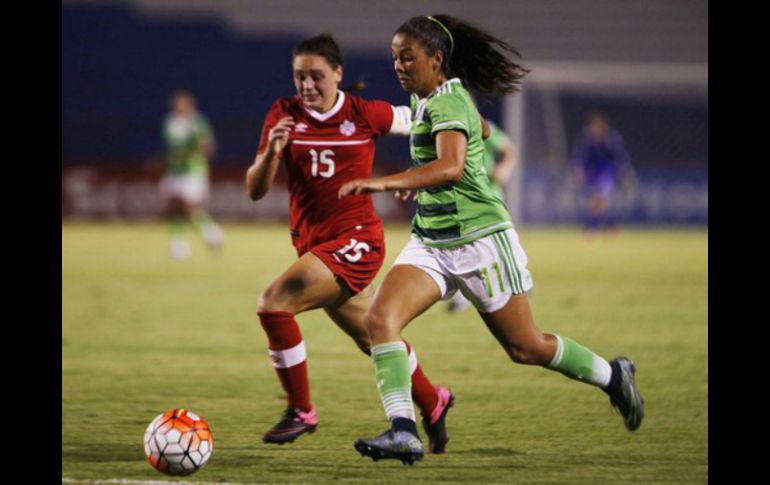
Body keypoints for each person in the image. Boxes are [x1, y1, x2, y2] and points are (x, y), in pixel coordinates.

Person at [338, 15, 644, 465]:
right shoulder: (428, 100)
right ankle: (403, 430)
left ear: (436, 59)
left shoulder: (448, 101)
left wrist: (389, 182)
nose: (400, 65)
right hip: (432, 242)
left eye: (408, 56)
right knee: (380, 321)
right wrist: (423, 179)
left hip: (481, 241)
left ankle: (612, 375)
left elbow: (451, 168)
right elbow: (478, 131)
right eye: (395, 57)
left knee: (525, 347)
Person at [245, 33, 454, 452]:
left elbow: (431, 122)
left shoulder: (365, 114)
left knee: (274, 302)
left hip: (356, 241)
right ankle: (434, 402)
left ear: (337, 74)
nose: (307, 86)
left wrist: (422, 170)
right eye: (299, 77)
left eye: (316, 76)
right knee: (374, 337)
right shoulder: (283, 113)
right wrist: (272, 153)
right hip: (315, 246)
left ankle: (301, 410)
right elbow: (255, 189)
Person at [447, 119, 517, 312]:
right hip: (464, 197)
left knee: (493, 248)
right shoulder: (446, 127)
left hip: (488, 196)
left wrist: (504, 170)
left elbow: (509, 150)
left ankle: (517, 282)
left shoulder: (481, 125)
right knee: (470, 247)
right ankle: (467, 294)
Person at [159, 90, 224, 260]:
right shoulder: (170, 122)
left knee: (189, 206)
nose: (178, 106)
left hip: (193, 170)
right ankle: (178, 243)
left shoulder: (198, 123)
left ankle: (210, 232)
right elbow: (170, 147)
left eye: (182, 103)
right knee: (173, 205)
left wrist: (200, 150)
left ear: (189, 105)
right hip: (175, 170)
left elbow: (207, 146)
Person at [569, 111, 636, 235]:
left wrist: (625, 171)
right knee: (593, 202)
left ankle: (593, 227)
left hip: (605, 172)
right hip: (591, 173)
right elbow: (580, 156)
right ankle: (607, 226)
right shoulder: (587, 138)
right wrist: (578, 170)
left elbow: (620, 156)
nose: (594, 128)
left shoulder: (612, 138)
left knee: (599, 200)